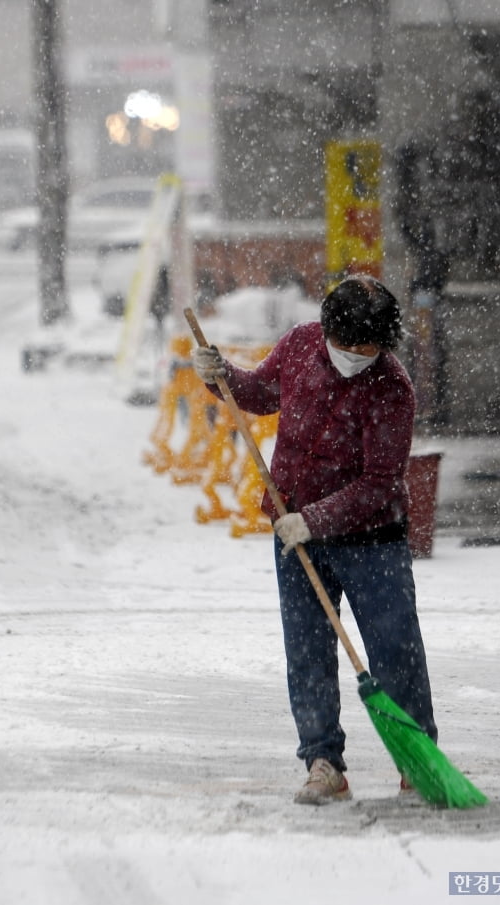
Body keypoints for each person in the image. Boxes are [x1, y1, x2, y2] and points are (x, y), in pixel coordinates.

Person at [192, 275, 437, 805]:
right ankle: (323, 762)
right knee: (308, 652)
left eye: (367, 348)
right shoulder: (301, 345)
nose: (355, 355)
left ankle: (417, 763)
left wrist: (317, 518)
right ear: (326, 331)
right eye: (346, 344)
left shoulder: (392, 389)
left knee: (395, 649)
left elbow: (379, 483)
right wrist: (221, 377)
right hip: (292, 527)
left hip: (373, 541)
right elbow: (258, 394)